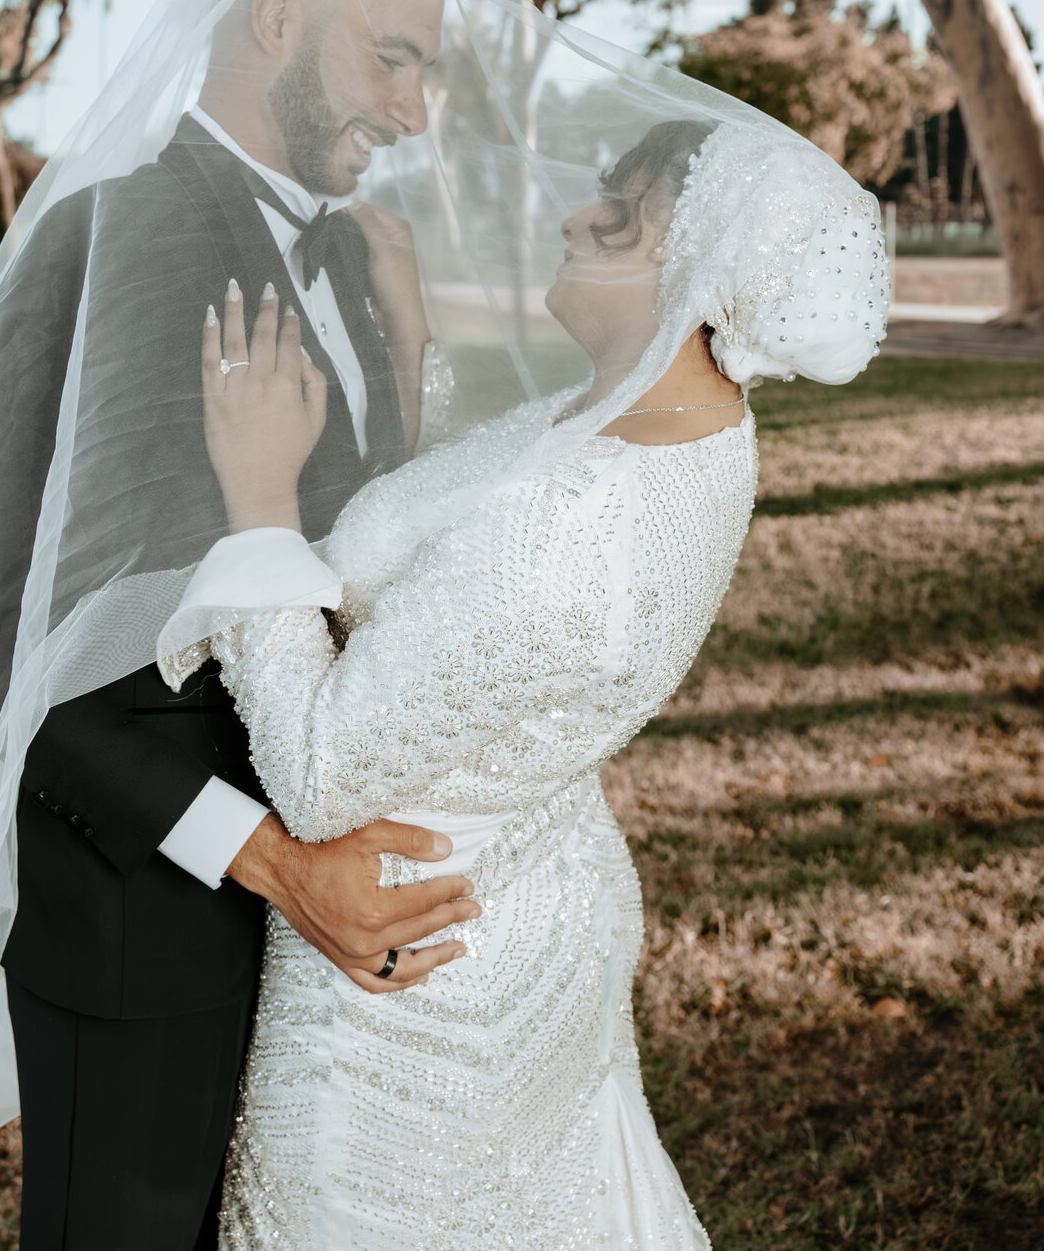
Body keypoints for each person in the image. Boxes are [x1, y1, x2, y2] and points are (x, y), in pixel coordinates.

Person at [0, 0, 478, 1234]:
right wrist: (269, 864)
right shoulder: (104, 236)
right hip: (150, 933)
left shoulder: (360, 257)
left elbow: (371, 556)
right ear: (273, 21)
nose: (414, 111)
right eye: (394, 59)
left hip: (331, 931)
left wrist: (412, 349)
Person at [158, 117, 888, 1248]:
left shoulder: (571, 541)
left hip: (408, 980)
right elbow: (461, 533)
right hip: (534, 904)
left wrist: (257, 505)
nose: (571, 220)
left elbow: (321, 773)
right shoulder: (670, 423)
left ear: (695, 272)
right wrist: (406, 341)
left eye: (620, 218)